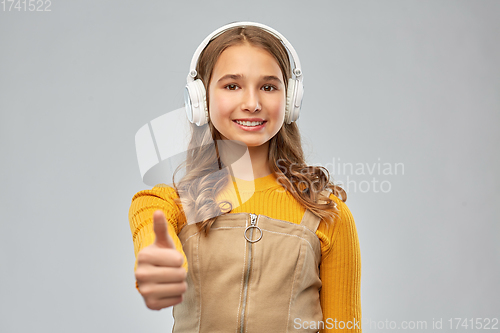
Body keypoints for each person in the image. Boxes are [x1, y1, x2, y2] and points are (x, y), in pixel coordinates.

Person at [129, 22, 362, 332]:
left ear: (290, 100)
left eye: (268, 86)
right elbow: (150, 218)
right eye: (232, 86)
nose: (252, 103)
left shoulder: (327, 215)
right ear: (200, 101)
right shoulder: (176, 205)